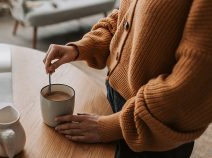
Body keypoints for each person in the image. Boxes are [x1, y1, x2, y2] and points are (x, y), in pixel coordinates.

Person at [43, 0, 212, 157]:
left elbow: (192, 90)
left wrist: (113, 127)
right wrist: (82, 47)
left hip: (154, 129)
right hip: (115, 103)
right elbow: (125, 16)